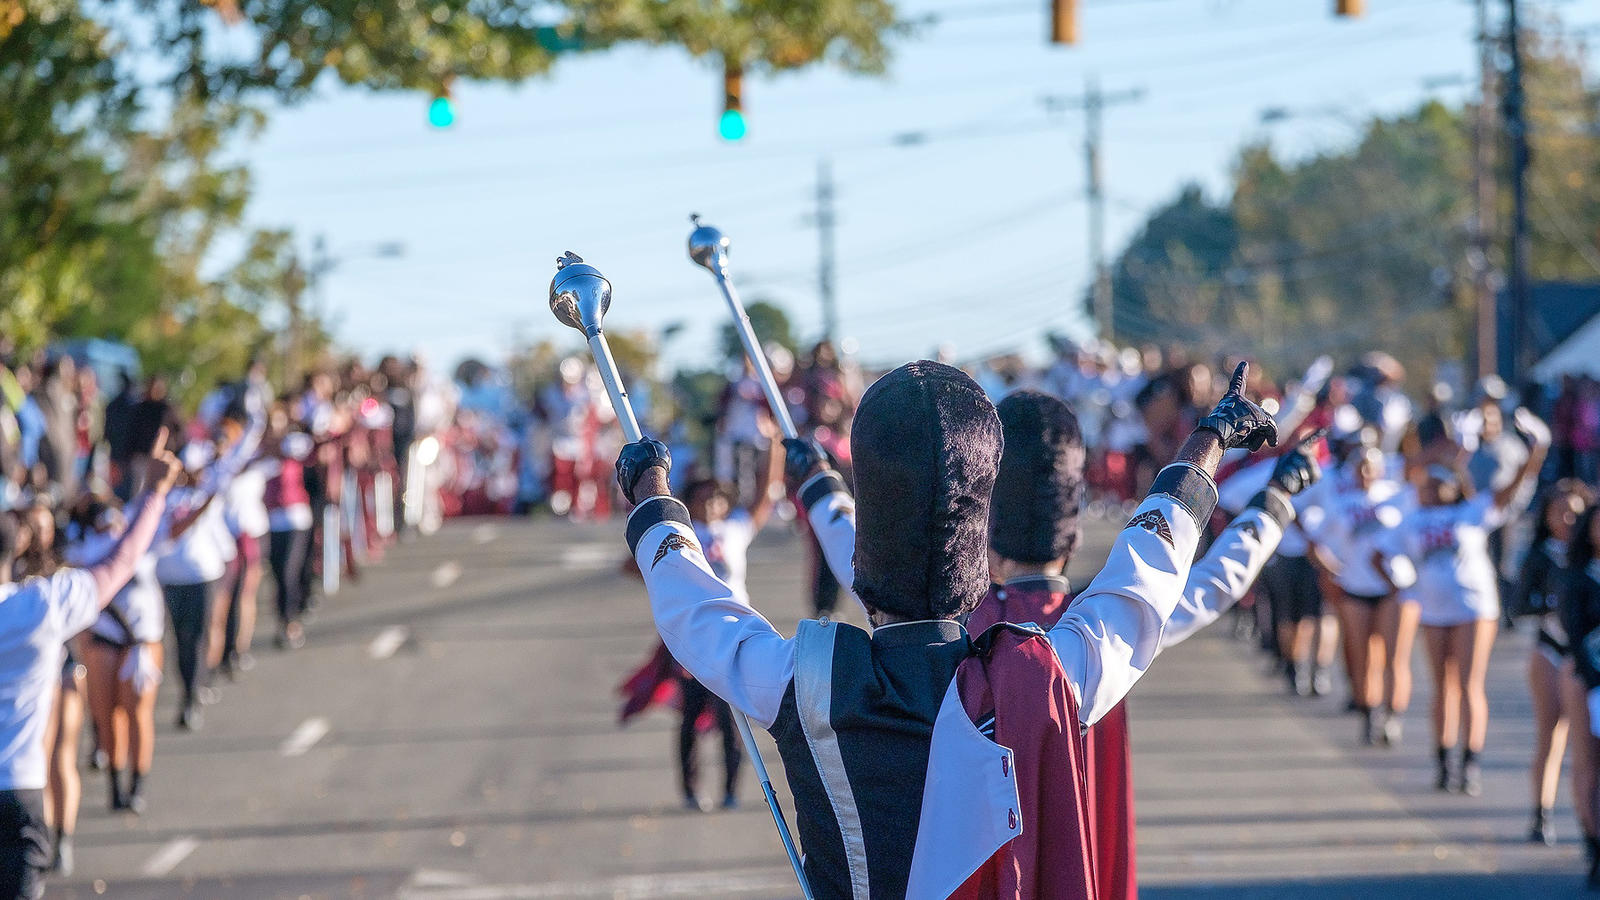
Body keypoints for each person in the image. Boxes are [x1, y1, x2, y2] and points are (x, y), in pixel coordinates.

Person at [616, 359, 1276, 898]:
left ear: (867, 561)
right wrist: (1209, 438)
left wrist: (653, 494)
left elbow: (698, 613)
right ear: (976, 551)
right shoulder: (1041, 677)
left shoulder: (811, 682)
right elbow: (1141, 578)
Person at [968, 389, 1318, 900]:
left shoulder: (955, 631)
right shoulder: (1107, 631)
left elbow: (852, 548)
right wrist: (1276, 496)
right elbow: (1212, 579)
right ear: (1073, 540)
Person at [0, 431, 178, 900]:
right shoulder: (40, 605)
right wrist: (154, 495)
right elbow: (119, 564)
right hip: (19, 791)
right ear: (14, 547)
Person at [1374, 408, 1549, 795]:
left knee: (1469, 685)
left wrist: (1537, 450)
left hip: (1473, 608)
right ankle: (1442, 759)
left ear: (1454, 486)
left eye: (1441, 483)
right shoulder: (1412, 520)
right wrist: (1404, 586)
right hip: (1434, 610)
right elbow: (1380, 555)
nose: (1434, 489)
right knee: (1442, 688)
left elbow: (1512, 487)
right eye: (1429, 484)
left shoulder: (1472, 512)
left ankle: (1470, 763)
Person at [673, 424, 783, 811]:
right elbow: (636, 565)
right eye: (703, 499)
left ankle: (732, 790)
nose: (711, 505)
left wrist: (773, 447)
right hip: (695, 638)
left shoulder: (736, 528)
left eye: (717, 499)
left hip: (735, 637)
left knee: (732, 720)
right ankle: (689, 789)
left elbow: (765, 496)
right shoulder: (681, 535)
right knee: (689, 716)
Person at [1302, 444, 1413, 745]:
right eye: (1360, 467)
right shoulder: (1341, 503)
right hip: (1355, 586)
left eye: (1371, 466)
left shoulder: (1397, 496)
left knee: (1394, 657)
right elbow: (1314, 541)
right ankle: (1369, 712)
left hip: (1393, 587)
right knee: (1361, 655)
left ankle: (1393, 715)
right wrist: (1331, 571)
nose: (1366, 473)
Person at [64, 498, 164, 816]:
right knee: (106, 713)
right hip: (105, 638)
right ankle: (115, 783)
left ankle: (138, 784)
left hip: (142, 640)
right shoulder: (88, 551)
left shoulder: (144, 547)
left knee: (137, 709)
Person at [1509, 480, 1592, 846]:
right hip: (1550, 649)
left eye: (1575, 512)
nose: (1566, 518)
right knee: (1551, 735)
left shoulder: (1589, 559)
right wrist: (1552, 602)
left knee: (1588, 745)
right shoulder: (1541, 554)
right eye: (1559, 511)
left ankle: (1589, 823)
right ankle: (1541, 812)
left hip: (1587, 658)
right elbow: (1518, 604)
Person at [1563, 503, 1600, 887]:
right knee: (1589, 763)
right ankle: (1593, 841)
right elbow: (1574, 633)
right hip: (1589, 678)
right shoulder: (1578, 576)